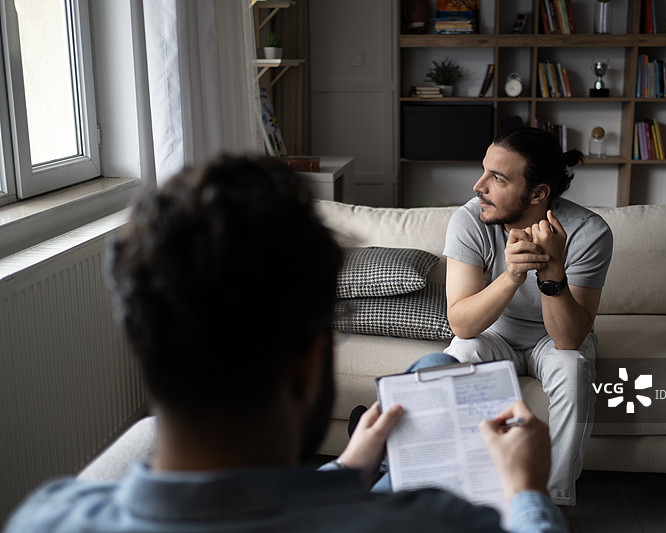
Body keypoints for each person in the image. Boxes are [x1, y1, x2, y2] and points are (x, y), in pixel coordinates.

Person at [3, 155, 565, 533]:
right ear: (306, 365)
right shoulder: (436, 520)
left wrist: (346, 470)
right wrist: (527, 492)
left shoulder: (46, 517)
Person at [443, 127, 613, 507]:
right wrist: (512, 275)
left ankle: (552, 505)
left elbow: (568, 339)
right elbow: (463, 324)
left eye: (497, 178)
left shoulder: (588, 233)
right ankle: (465, 493)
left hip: (550, 340)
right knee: (461, 353)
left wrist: (552, 272)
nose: (478, 186)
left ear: (538, 194)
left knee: (573, 368)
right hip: (495, 335)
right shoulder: (469, 222)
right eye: (483, 171)